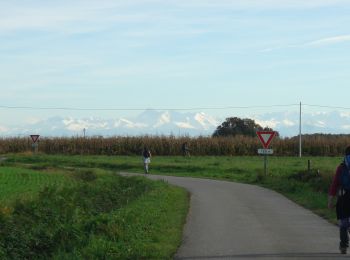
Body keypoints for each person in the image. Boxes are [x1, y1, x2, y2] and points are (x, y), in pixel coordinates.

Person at [328, 146, 350, 254]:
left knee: (343, 223)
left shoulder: (341, 167)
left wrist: (330, 200)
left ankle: (343, 246)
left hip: (343, 197)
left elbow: (334, 184)